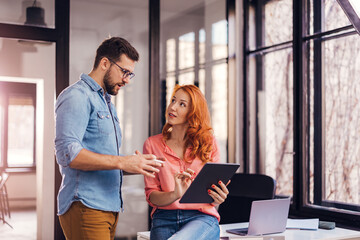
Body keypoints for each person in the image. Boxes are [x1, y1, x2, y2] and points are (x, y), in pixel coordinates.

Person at [55, 37, 163, 240]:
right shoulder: (77, 96)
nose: (127, 80)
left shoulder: (106, 103)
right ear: (104, 63)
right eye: (125, 72)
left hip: (108, 207)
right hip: (86, 205)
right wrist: (123, 161)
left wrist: (135, 164)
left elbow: (103, 157)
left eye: (131, 74)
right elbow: (69, 154)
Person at [143, 84, 230, 240]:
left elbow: (214, 192)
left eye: (182, 104)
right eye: (173, 100)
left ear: (193, 113)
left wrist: (219, 197)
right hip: (164, 218)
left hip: (201, 217)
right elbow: (152, 196)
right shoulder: (152, 144)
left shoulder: (209, 144)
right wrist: (175, 194)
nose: (173, 107)